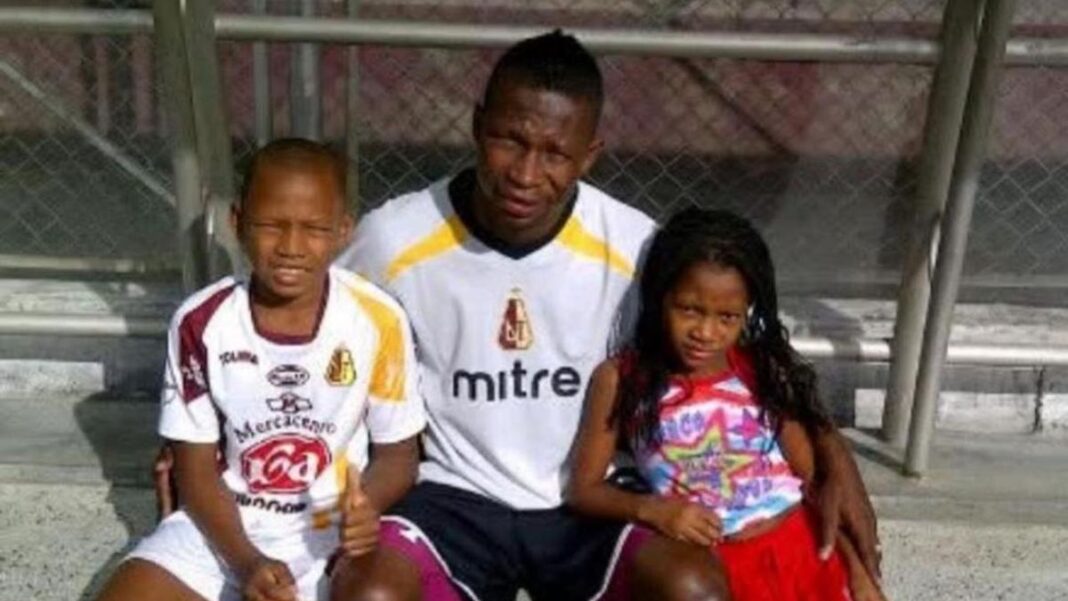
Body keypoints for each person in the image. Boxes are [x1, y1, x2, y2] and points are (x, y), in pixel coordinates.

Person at [328, 31, 880, 601]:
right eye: (509, 141)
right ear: (476, 125)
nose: (524, 172)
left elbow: (758, 349)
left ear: (589, 155)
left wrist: (836, 459)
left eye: (555, 154)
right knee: (371, 592)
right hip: (452, 498)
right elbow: (311, 325)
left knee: (691, 587)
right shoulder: (393, 239)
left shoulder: (637, 247)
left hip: (594, 503)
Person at [101, 139, 425, 601]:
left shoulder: (378, 318)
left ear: (344, 231)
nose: (291, 247)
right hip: (222, 531)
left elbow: (399, 456)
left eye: (314, 228)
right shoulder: (201, 321)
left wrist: (364, 508)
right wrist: (247, 560)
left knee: (382, 594)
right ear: (237, 224)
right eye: (272, 225)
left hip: (329, 531)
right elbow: (194, 469)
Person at [566, 208, 887, 601]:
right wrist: (653, 511)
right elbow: (583, 490)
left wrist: (857, 571)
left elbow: (815, 485)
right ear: (659, 295)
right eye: (689, 309)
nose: (705, 332)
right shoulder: (622, 380)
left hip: (800, 550)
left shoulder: (762, 371)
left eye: (727, 317)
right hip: (713, 567)